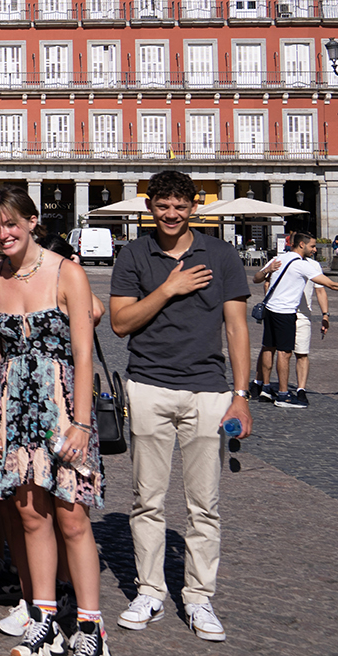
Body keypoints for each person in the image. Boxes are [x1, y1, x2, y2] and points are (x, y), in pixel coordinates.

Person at [109, 170, 251, 642]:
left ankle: (198, 597)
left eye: (180, 206)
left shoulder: (221, 254)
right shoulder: (134, 253)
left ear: (194, 207)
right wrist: (168, 288)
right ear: (150, 207)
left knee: (203, 503)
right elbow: (121, 323)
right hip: (148, 386)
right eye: (162, 206)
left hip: (208, 390)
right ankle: (150, 589)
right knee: (146, 499)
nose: (171, 214)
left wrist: (242, 396)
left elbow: (236, 328)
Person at [0, 188, 107, 656]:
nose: (2, 233)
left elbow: (83, 350)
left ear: (33, 222)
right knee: (30, 516)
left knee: (73, 519)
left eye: (10, 223)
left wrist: (82, 422)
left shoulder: (67, 272)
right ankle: (44, 617)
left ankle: (91, 627)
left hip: (62, 406)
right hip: (15, 408)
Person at [251, 231, 338, 408]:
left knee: (268, 348)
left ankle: (266, 387)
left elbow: (256, 278)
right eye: (312, 246)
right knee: (285, 353)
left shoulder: (279, 259)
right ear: (301, 245)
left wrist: (267, 271)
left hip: (270, 310)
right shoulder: (302, 264)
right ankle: (283, 395)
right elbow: (330, 284)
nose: (314, 250)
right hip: (285, 312)